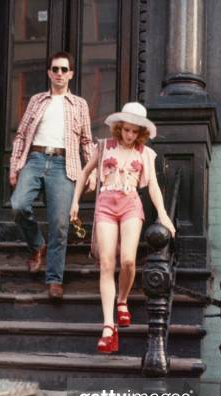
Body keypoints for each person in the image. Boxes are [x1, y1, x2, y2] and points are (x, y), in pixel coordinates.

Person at [70, 102, 176, 353]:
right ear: (119, 128)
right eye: (126, 130)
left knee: (128, 261)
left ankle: (123, 300)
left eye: (134, 131)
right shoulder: (104, 146)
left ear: (141, 133)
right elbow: (84, 173)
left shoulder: (145, 154)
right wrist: (75, 202)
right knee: (107, 263)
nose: (129, 135)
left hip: (130, 204)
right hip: (106, 203)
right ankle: (108, 327)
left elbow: (153, 187)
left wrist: (163, 214)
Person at [10, 51, 96, 300]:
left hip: (64, 163)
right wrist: (16, 165)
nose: (59, 74)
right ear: (49, 73)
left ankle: (54, 279)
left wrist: (90, 171)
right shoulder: (37, 100)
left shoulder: (79, 104)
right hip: (35, 159)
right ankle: (37, 245)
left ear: (71, 74)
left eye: (64, 70)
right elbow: (21, 135)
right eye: (55, 69)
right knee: (18, 205)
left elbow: (86, 141)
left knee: (60, 224)